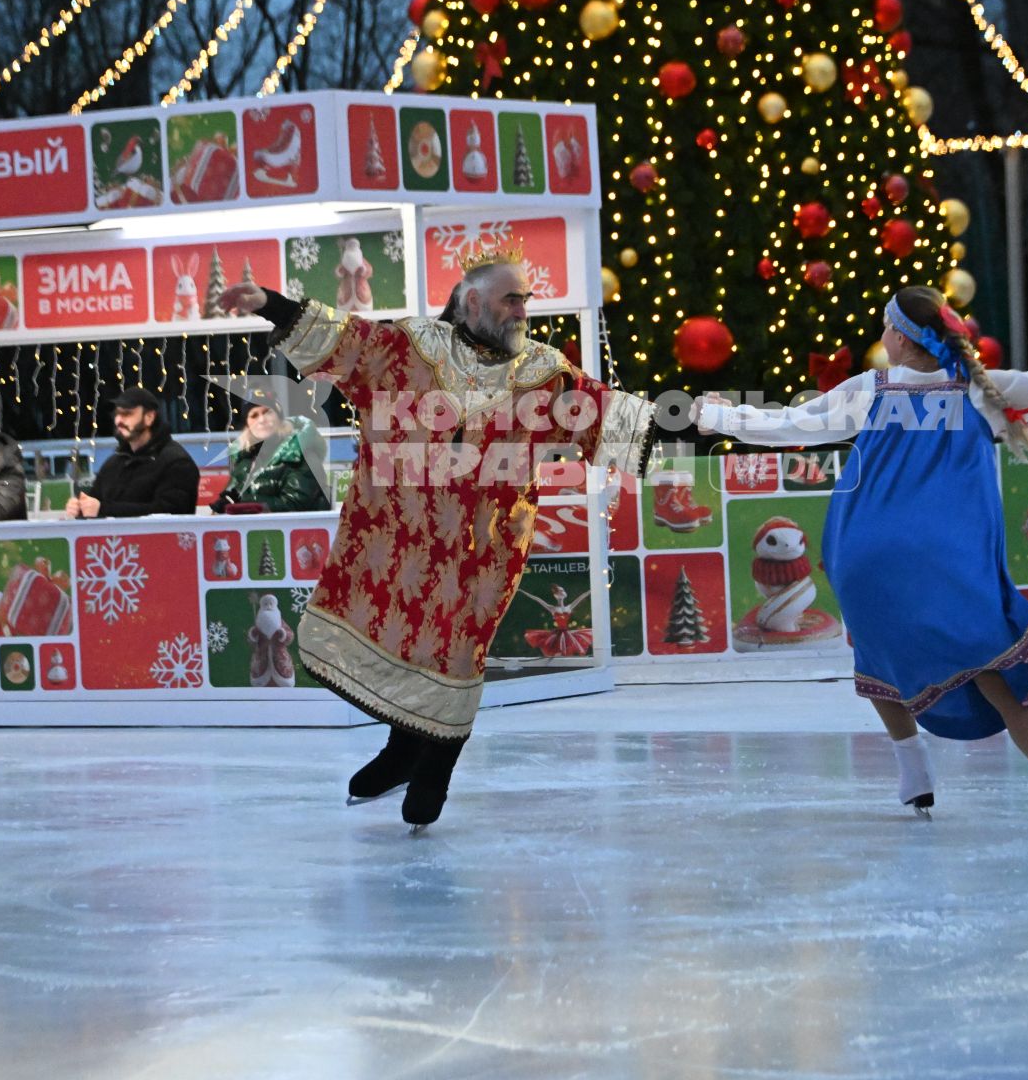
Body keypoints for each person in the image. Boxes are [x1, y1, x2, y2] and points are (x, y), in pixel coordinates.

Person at [695, 286, 1028, 829]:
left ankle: (913, 768)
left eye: (885, 326)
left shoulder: (872, 389)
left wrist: (723, 418)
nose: (880, 334)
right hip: (947, 560)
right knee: (993, 667)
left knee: (878, 654)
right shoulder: (981, 390)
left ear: (900, 339)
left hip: (866, 551)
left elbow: (791, 425)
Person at [220, 248, 656, 830]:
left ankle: (435, 768)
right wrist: (269, 305)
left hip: (484, 552)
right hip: (396, 537)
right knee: (400, 640)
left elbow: (614, 418)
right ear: (473, 302)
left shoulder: (545, 373)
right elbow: (341, 340)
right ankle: (402, 750)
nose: (522, 310)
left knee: (455, 650)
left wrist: (729, 422)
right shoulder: (409, 345)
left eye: (525, 299)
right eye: (511, 298)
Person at [67, 386, 200, 519]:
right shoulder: (114, 463)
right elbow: (94, 503)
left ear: (149, 417)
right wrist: (81, 509)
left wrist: (103, 509)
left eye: (127, 414)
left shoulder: (176, 462)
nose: (118, 420)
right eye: (117, 414)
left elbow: (171, 513)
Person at [214, 395, 330, 513]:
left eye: (267, 412)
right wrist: (224, 502)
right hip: (255, 529)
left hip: (301, 529)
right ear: (248, 426)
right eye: (254, 415)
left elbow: (294, 505)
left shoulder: (300, 453)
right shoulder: (244, 459)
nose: (261, 420)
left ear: (280, 419)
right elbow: (231, 494)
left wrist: (242, 502)